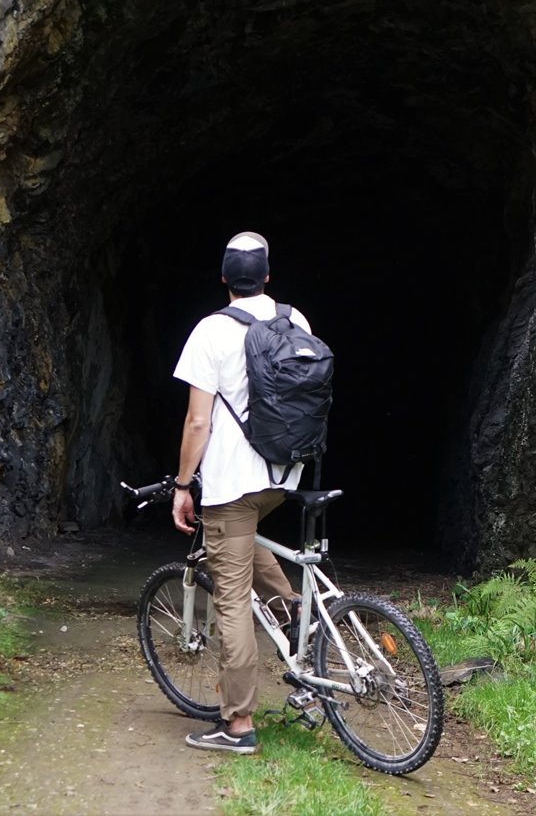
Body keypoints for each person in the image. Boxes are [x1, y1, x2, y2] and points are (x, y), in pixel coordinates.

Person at [170, 231, 308, 756]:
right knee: (239, 542)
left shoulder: (210, 330)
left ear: (224, 278)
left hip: (232, 480)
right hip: (282, 474)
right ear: (268, 276)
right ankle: (293, 611)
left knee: (230, 603)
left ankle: (239, 725)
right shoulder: (295, 321)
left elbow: (198, 420)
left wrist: (184, 484)